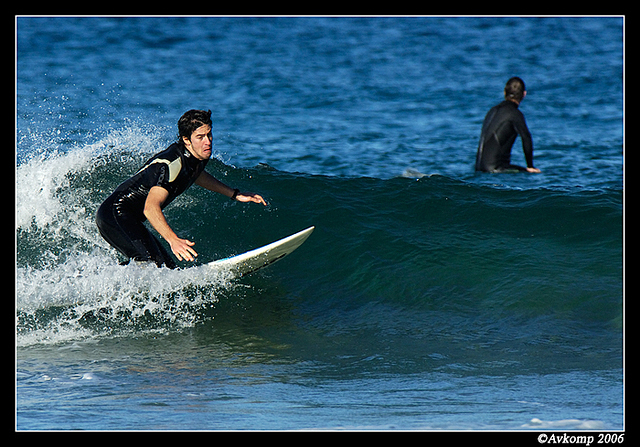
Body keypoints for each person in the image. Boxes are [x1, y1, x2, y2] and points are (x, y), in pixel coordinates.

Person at [96, 109, 267, 268]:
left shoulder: (197, 155)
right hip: (114, 214)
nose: (207, 142)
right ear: (186, 140)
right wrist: (173, 240)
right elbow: (150, 208)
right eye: (200, 137)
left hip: (129, 217)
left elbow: (196, 174)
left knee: (165, 268)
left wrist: (234, 194)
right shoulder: (173, 165)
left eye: (209, 134)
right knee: (154, 265)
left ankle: (106, 279)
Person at [475, 77, 541, 173]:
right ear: (524, 94)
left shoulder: (492, 111)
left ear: (504, 92)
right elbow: (526, 138)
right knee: (536, 172)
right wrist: (530, 166)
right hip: (496, 170)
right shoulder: (515, 114)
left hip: (478, 169)